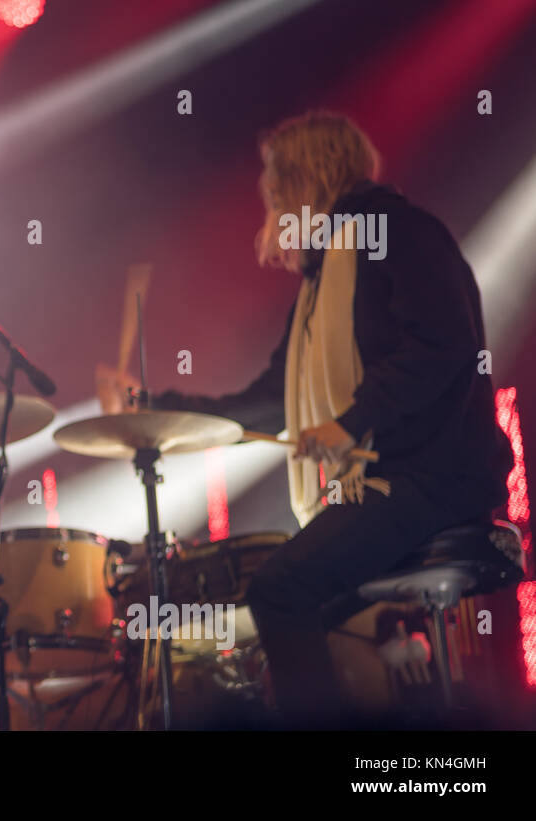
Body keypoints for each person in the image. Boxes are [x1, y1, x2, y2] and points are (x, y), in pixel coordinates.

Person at [97, 111, 513, 727]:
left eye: (274, 195)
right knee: (292, 604)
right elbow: (268, 399)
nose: (270, 213)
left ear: (302, 184)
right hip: (388, 485)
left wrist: (349, 424)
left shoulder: (398, 230)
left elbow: (443, 344)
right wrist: (152, 407)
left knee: (279, 590)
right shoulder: (322, 280)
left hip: (434, 480)